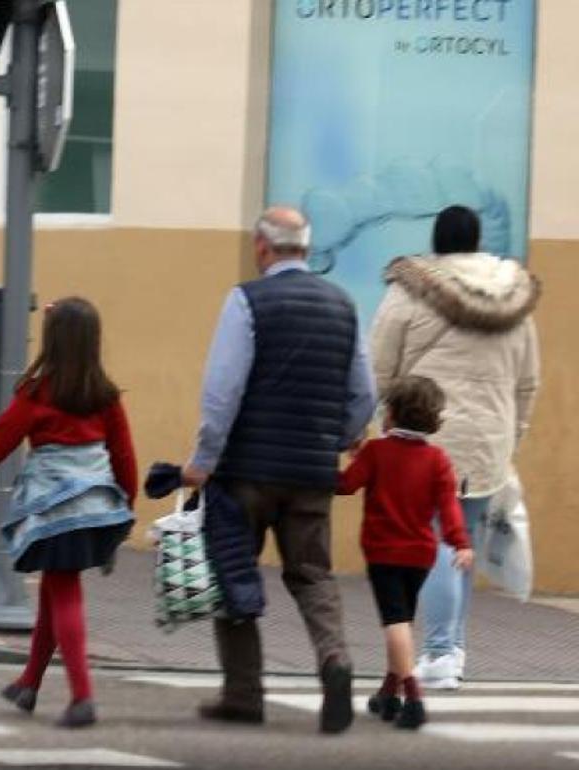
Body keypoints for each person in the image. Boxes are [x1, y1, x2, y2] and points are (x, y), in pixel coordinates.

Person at [181, 206, 376, 734]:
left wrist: (204, 460)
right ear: (306, 249)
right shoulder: (343, 304)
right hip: (312, 471)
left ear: (263, 248)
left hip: (247, 471)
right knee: (312, 574)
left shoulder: (247, 300)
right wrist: (334, 440)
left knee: (233, 571)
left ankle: (244, 694)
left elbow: (223, 389)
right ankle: (335, 661)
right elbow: (364, 394)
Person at [370, 205, 540, 689]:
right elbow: (527, 382)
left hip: (426, 437)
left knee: (441, 544)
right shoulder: (514, 298)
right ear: (479, 241)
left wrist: (372, 424)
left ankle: (442, 651)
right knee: (461, 541)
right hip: (489, 440)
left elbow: (380, 367)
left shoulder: (409, 292)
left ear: (438, 242)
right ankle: (454, 649)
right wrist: (513, 435)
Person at [0, 297, 137, 729]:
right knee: (55, 593)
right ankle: (28, 684)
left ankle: (82, 697)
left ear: (52, 342)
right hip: (96, 509)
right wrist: (125, 504)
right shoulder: (105, 396)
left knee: (64, 591)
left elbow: (3, 437)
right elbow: (124, 454)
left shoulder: (36, 392)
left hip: (54, 514)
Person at [337, 375, 473, 729]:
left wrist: (334, 464)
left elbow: (346, 485)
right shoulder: (438, 459)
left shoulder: (377, 452)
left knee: (395, 623)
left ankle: (412, 697)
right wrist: (460, 542)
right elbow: (448, 507)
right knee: (403, 622)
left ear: (391, 414)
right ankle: (387, 693)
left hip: (384, 552)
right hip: (421, 555)